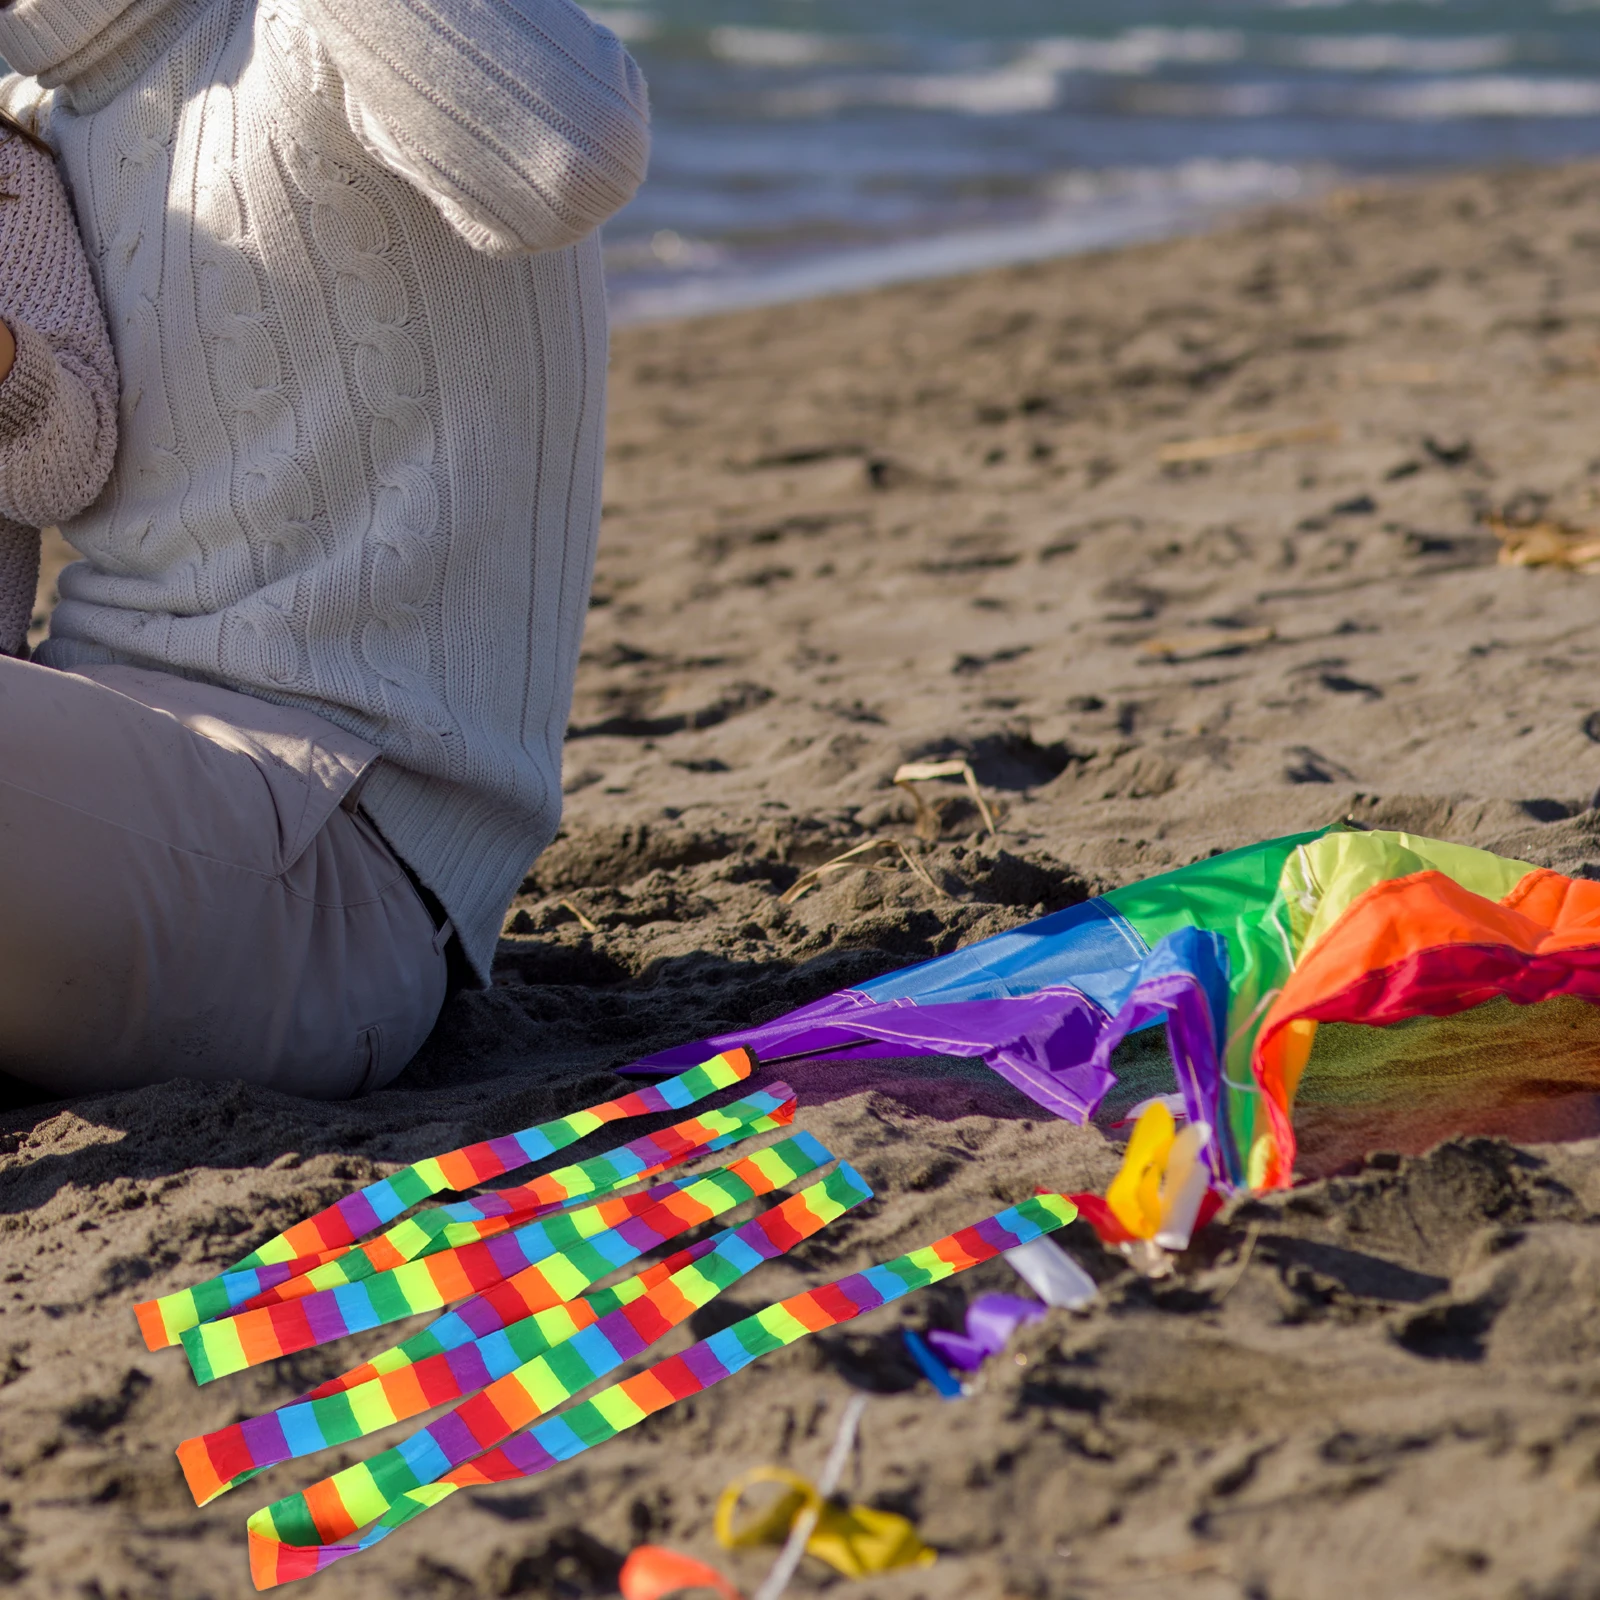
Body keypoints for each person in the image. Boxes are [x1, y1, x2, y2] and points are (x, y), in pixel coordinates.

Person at [0, 0, 650, 1098]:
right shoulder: (36, 107)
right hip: (99, 811)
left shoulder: (319, 21)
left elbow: (565, 155)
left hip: (340, 864)